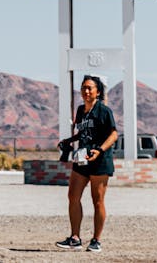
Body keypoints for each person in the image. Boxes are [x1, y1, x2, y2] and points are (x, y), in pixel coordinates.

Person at [55, 75, 119, 253]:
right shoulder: (81, 110)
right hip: (82, 159)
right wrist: (69, 140)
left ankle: (96, 240)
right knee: (73, 196)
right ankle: (75, 238)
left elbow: (113, 134)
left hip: (100, 161)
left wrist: (100, 149)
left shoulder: (104, 111)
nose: (86, 91)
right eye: (84, 87)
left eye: (90, 88)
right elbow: (82, 132)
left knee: (97, 201)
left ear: (98, 92)